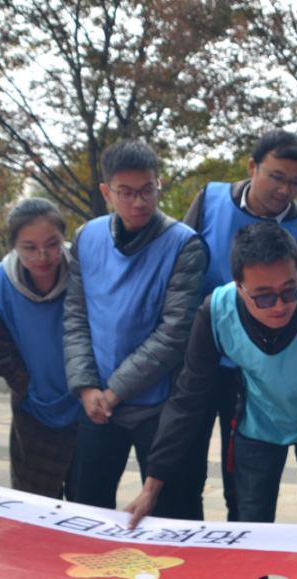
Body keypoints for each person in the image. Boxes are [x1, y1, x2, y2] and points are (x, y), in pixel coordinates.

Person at [124, 222, 297, 532]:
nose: (279, 306)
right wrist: (151, 486)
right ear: (239, 286)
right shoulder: (216, 313)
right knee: (250, 521)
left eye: (289, 290)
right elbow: (188, 398)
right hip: (257, 424)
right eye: (263, 297)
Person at [182, 129, 297, 518]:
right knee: (185, 471)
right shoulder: (209, 199)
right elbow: (181, 270)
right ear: (252, 167)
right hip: (197, 358)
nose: (284, 190)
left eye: (295, 182)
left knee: (242, 486)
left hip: (251, 373)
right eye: (276, 177)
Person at [64, 139, 207, 517]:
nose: (139, 202)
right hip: (95, 402)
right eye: (126, 193)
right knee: (87, 510)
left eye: (147, 190)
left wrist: (114, 392)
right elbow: (76, 316)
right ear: (106, 192)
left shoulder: (184, 245)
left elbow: (175, 332)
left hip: (159, 405)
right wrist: (86, 387)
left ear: (159, 184)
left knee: (173, 514)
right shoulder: (87, 237)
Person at [0, 198, 81, 498]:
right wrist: (29, 389)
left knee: (89, 504)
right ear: (13, 246)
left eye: (52, 244)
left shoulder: (84, 272)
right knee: (34, 503)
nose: (43, 256)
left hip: (87, 406)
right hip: (32, 411)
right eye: (29, 247)